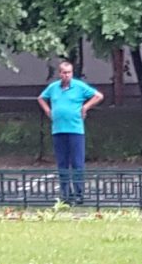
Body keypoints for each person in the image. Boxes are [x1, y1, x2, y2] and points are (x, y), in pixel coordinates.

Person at [38, 60, 104, 204]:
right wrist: (48, 111)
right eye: (64, 72)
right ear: (60, 73)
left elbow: (98, 96)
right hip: (58, 130)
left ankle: (79, 194)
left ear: (72, 73)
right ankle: (65, 195)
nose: (66, 75)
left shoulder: (79, 86)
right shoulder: (54, 87)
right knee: (62, 163)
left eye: (69, 73)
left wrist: (85, 107)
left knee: (77, 163)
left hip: (75, 130)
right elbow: (41, 98)